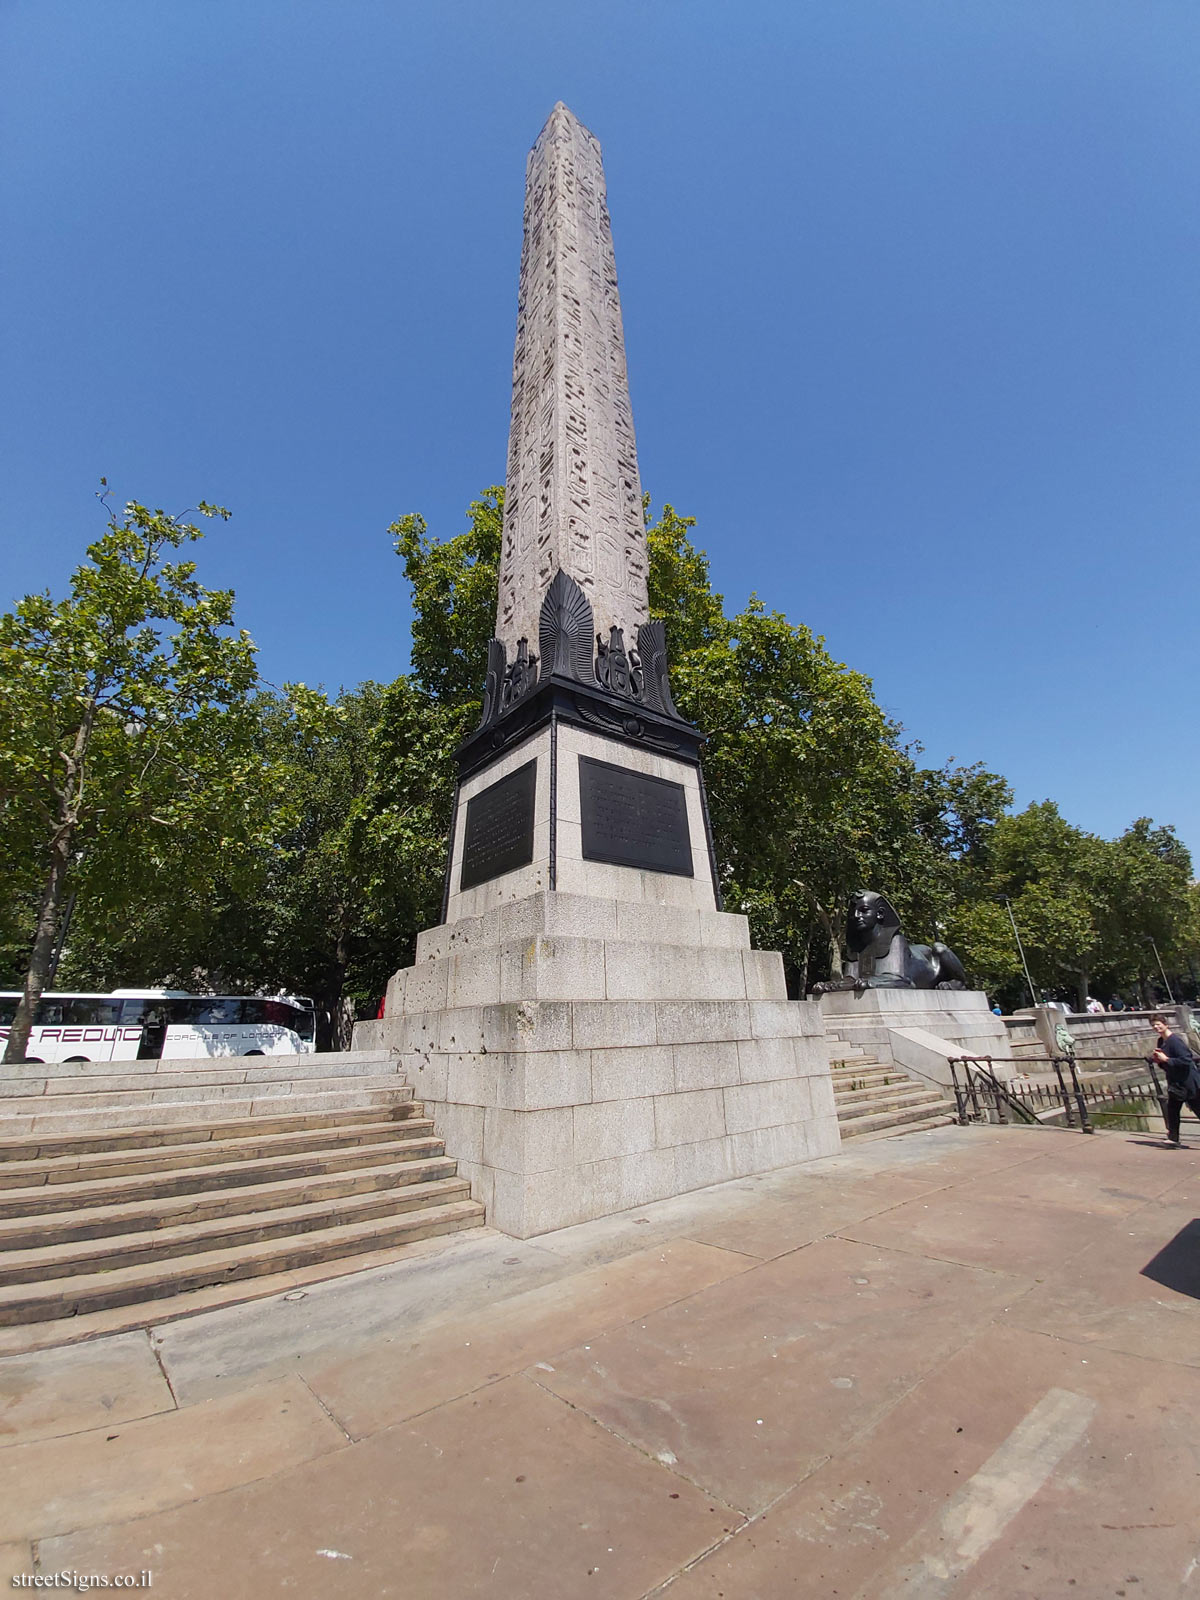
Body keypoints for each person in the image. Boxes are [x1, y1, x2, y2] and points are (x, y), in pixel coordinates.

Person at [1149, 1016, 1200, 1148]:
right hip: (1176, 1083)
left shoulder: (1175, 1041)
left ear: (1166, 1025)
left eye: (1158, 1024)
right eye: (1153, 1025)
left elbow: (1186, 1060)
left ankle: (1173, 1138)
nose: (1156, 1027)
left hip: (1187, 1082)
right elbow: (1167, 1063)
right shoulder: (1161, 1041)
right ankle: (1173, 1138)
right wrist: (1159, 1061)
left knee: (1197, 1108)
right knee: (1172, 1110)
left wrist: (1166, 1060)